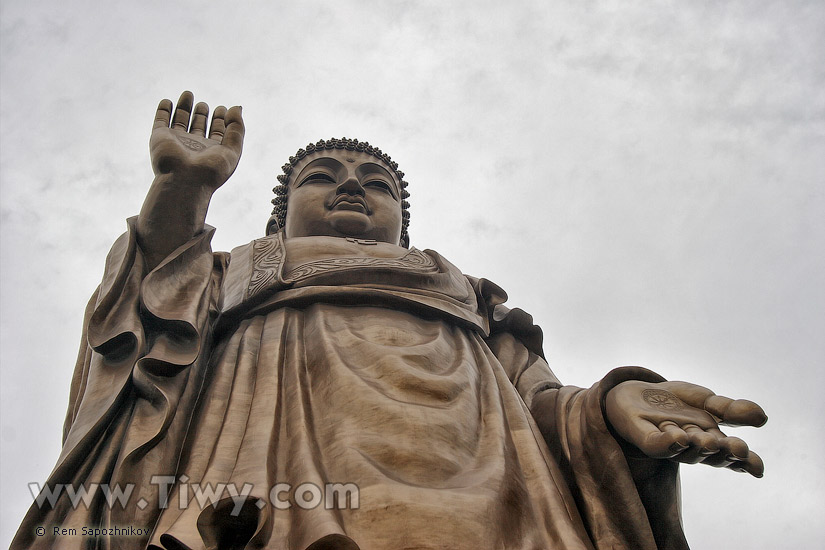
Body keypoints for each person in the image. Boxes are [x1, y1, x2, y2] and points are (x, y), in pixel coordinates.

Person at [13, 92, 767, 550]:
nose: (352, 188)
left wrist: (604, 408)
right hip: (273, 480)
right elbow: (144, 330)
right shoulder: (238, 266)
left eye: (376, 184)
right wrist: (180, 193)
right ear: (282, 211)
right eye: (324, 178)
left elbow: (537, 403)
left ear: (403, 222)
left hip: (491, 494)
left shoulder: (466, 291)